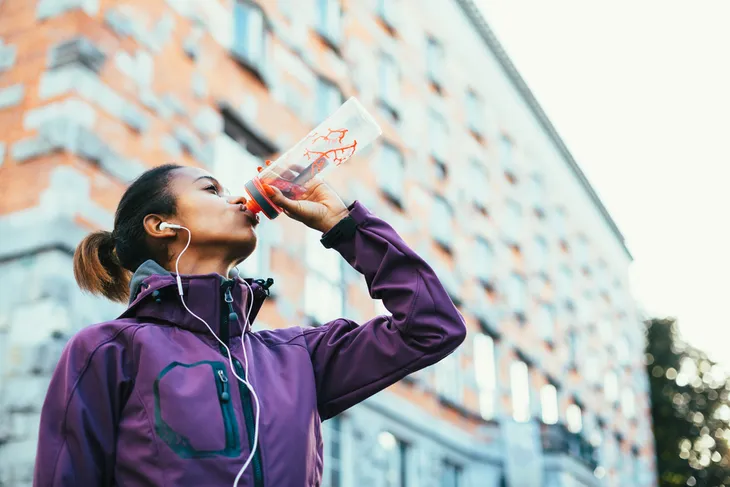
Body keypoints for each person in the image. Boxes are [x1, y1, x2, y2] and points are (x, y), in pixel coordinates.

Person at [32, 163, 467, 486]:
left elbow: (432, 326)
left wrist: (345, 227)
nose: (239, 199)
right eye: (212, 190)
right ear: (162, 225)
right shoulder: (108, 351)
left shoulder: (300, 358)